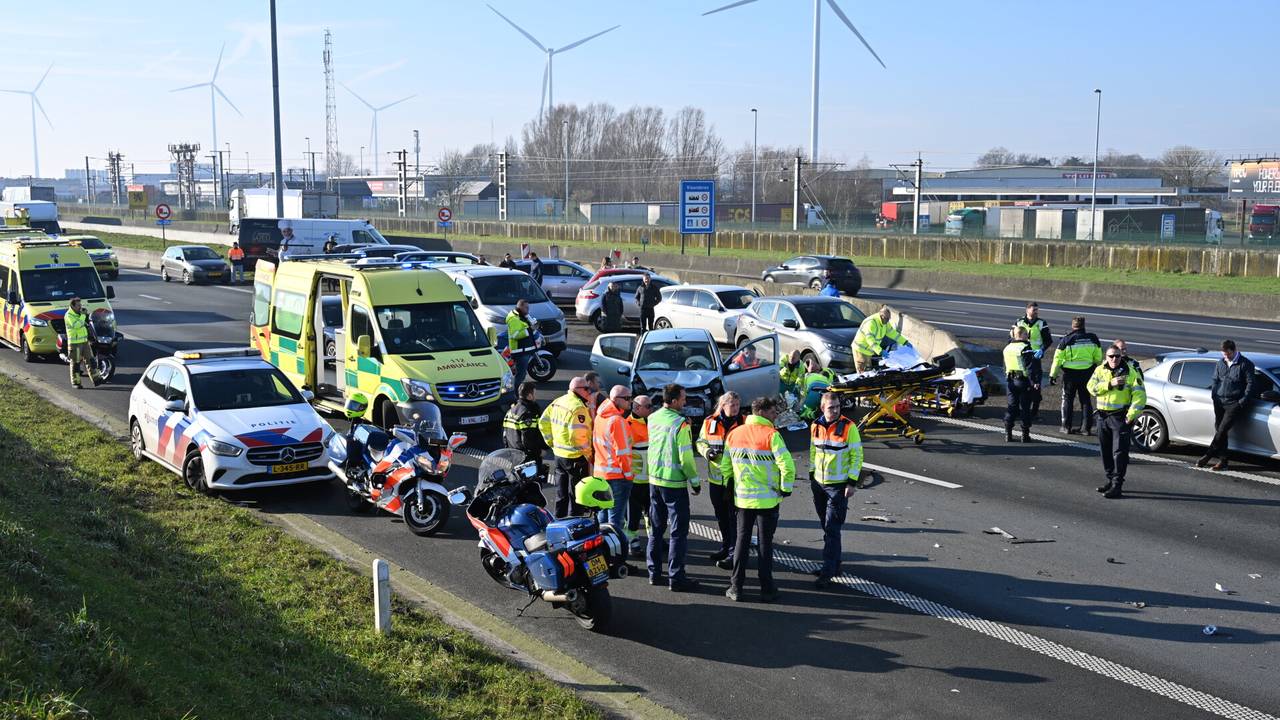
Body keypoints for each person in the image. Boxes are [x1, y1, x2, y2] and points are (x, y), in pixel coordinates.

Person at [720, 396, 794, 603]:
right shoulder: (772, 435)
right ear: (761, 412)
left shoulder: (734, 434)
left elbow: (725, 465)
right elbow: (787, 466)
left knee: (741, 542)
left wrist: (729, 484)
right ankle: (767, 588)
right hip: (768, 500)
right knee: (765, 544)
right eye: (772, 412)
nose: (775, 416)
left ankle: (736, 587)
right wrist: (785, 489)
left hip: (743, 499)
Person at [646, 384, 701, 591]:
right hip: (674, 483)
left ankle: (654, 573)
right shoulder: (680, 425)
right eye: (683, 398)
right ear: (675, 400)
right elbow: (686, 459)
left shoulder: (653, 417)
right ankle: (676, 577)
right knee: (678, 532)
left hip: (655, 480)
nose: (685, 402)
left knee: (656, 528)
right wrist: (695, 482)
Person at [809, 392, 862, 587]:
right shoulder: (816, 425)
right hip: (819, 484)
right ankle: (835, 564)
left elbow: (857, 455)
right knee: (827, 526)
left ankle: (828, 570)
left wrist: (852, 482)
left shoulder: (849, 427)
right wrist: (811, 474)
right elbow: (814, 451)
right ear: (822, 408)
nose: (836, 410)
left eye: (838, 406)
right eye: (831, 407)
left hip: (838, 487)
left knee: (832, 528)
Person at [1087, 346, 1146, 499]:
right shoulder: (1100, 370)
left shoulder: (1130, 372)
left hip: (1119, 417)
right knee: (1105, 451)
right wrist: (1109, 384)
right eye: (1111, 356)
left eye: (1117, 356)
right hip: (1102, 417)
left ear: (1121, 357)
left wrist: (1131, 415)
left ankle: (1117, 485)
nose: (1114, 359)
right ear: (1106, 357)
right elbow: (1091, 388)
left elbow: (1140, 396)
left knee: (1119, 453)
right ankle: (1110, 480)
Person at [697, 392, 745, 570]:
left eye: (738, 405)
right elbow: (700, 442)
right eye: (732, 405)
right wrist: (707, 452)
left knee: (734, 518)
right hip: (716, 479)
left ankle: (734, 551)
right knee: (721, 516)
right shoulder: (710, 421)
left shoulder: (744, 422)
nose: (736, 408)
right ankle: (726, 546)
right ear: (722, 405)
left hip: (736, 479)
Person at [539, 377, 594, 517]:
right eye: (586, 389)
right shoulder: (578, 407)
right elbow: (577, 437)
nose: (589, 392)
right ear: (577, 390)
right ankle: (574, 524)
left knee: (561, 493)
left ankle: (559, 520)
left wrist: (551, 442)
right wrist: (588, 453)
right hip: (575, 457)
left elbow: (543, 422)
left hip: (559, 455)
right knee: (576, 495)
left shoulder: (558, 401)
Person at [1200, 340, 1255, 471]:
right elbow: (1215, 379)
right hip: (1219, 402)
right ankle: (1223, 461)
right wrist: (1214, 395)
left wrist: (1241, 402)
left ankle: (1208, 455)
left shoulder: (1246, 364)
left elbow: (1251, 385)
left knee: (1222, 430)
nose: (1226, 357)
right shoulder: (1220, 363)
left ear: (1234, 350)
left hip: (1233, 403)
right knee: (1219, 429)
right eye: (1223, 354)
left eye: (1228, 354)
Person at [1049, 316, 1103, 435]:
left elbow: (1057, 359)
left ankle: (1066, 427)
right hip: (1087, 373)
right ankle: (1086, 429)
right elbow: (1098, 358)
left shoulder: (1066, 340)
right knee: (1085, 400)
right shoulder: (1093, 338)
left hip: (1070, 375)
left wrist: (1053, 375)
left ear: (1073, 326)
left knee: (1068, 399)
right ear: (1084, 325)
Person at [592, 386, 635, 530]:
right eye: (627, 398)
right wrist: (628, 476)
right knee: (616, 522)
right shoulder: (617, 421)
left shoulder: (600, 416)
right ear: (616, 400)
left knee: (603, 516)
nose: (630, 401)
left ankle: (601, 548)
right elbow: (622, 453)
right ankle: (615, 550)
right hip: (616, 476)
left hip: (601, 474)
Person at [1003, 326, 1040, 443]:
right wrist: (1034, 382)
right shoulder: (1025, 348)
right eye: (1026, 334)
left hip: (1010, 381)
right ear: (1022, 335)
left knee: (1011, 407)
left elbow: (1004, 366)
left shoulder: (1007, 348)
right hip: (1023, 382)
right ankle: (1025, 435)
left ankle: (1008, 433)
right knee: (1025, 408)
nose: (1027, 336)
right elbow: (1029, 367)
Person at [626, 394, 653, 553]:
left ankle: (654, 539)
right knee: (633, 515)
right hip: (634, 480)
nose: (652, 409)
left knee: (652, 513)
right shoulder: (627, 424)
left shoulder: (652, 422)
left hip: (651, 478)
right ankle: (633, 542)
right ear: (637, 408)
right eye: (648, 406)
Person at [1016, 302, 1052, 418]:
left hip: (1035, 358)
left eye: (1037, 310)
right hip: (1021, 357)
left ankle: (1034, 412)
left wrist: (1042, 350)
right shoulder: (1019, 322)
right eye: (1034, 310)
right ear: (1027, 310)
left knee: (1036, 385)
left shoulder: (1041, 323)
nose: (1036, 312)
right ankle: (1018, 410)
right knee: (1020, 384)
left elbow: (1048, 340)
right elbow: (1011, 338)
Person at [852, 305, 909, 372]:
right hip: (860, 349)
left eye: (889, 319)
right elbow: (870, 340)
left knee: (868, 371)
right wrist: (880, 351)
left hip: (868, 350)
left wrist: (904, 342)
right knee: (862, 372)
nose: (888, 321)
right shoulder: (871, 322)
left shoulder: (885, 322)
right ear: (882, 317)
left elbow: (892, 333)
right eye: (887, 319)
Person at [503, 381, 548, 466]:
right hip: (527, 457)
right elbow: (528, 438)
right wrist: (538, 452)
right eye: (535, 393)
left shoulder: (510, 411)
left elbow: (505, 435)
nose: (536, 396)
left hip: (514, 454)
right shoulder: (528, 413)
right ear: (529, 396)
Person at [64, 296, 97, 389]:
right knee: (76, 363)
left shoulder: (79, 314)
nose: (80, 307)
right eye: (78, 305)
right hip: (75, 344)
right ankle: (76, 382)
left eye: (80, 305)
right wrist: (83, 316)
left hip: (84, 342)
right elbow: (77, 325)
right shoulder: (69, 315)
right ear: (73, 306)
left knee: (90, 360)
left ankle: (96, 379)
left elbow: (85, 324)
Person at [798, 355, 837, 420]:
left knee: (803, 411)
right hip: (827, 392)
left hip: (814, 391)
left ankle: (812, 414)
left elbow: (803, 392)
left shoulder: (806, 376)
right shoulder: (828, 370)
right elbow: (837, 381)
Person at [505, 299, 534, 388]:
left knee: (521, 374)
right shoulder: (514, 319)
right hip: (520, 351)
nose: (528, 310)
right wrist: (530, 330)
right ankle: (515, 394)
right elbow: (515, 335)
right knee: (520, 375)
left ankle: (516, 393)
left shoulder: (521, 316)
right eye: (526, 307)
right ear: (520, 307)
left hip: (523, 350)